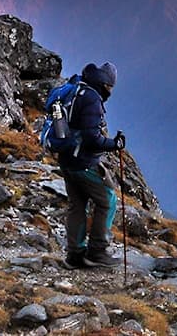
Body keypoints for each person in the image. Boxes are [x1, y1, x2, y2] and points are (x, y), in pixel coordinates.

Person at [58, 62, 126, 269]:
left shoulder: (77, 89)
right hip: (83, 162)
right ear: (104, 84)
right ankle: (97, 251)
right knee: (107, 200)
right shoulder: (92, 100)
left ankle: (75, 255)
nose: (110, 92)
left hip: (66, 159)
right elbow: (91, 138)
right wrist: (114, 144)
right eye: (110, 87)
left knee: (77, 204)